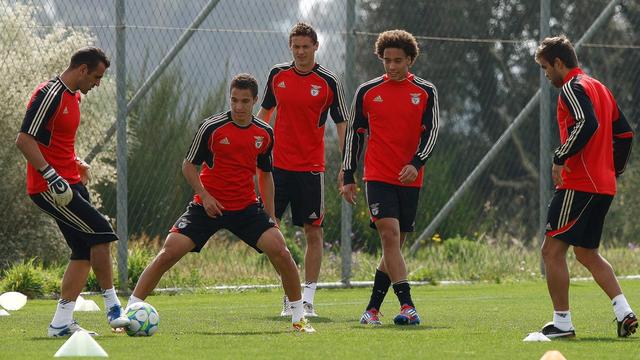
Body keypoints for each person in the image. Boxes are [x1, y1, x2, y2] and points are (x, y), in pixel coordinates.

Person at [126, 73, 315, 333]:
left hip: (246, 208)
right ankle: (130, 313)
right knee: (168, 253)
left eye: (245, 101)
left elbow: (265, 174)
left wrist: (271, 215)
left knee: (281, 252)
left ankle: (299, 320)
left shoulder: (264, 133)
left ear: (255, 101)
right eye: (234, 100)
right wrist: (204, 196)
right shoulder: (211, 127)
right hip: (208, 207)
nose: (238, 107)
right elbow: (188, 165)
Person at [15, 47, 130, 337]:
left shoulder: (74, 96)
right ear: (82, 70)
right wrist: (52, 175)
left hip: (70, 183)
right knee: (102, 232)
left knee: (83, 250)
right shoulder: (49, 94)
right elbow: (24, 140)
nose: (98, 83)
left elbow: (56, 140)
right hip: (50, 188)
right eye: (97, 76)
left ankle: (61, 323)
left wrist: (76, 163)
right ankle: (114, 307)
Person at [535, 35, 637, 338]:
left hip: (579, 184)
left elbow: (586, 123)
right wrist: (612, 169)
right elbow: (626, 134)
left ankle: (562, 324)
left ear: (558, 63)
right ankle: (624, 312)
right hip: (603, 185)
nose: (546, 75)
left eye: (545, 68)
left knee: (551, 251)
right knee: (586, 253)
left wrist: (560, 155)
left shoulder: (571, 87)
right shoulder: (600, 88)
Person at [341, 29, 439, 326]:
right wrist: (348, 174)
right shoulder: (367, 92)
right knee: (389, 236)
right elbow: (354, 137)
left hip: (410, 178)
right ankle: (408, 305)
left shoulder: (425, 91)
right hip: (378, 175)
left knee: (393, 247)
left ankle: (371, 310)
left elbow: (432, 132)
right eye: (387, 60)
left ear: (410, 59)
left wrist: (417, 162)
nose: (392, 66)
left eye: (398, 60)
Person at [257, 22, 348, 317]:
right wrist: (254, 151)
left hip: (310, 168)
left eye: (305, 47)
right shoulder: (277, 75)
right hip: (277, 168)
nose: (300, 52)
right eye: (295, 46)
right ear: (290, 47)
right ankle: (290, 296)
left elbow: (342, 124)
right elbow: (264, 115)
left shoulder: (328, 82)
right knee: (270, 232)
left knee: (313, 232)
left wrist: (347, 165)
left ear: (315, 47)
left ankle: (307, 297)